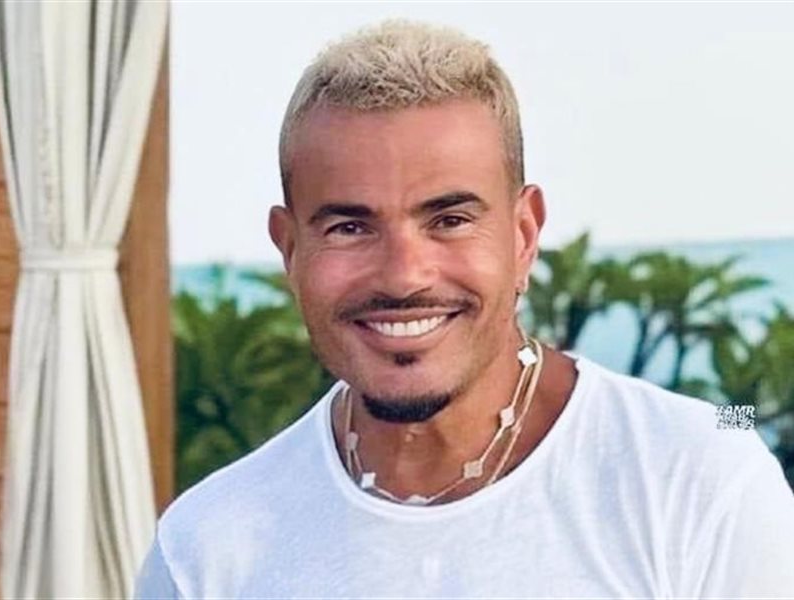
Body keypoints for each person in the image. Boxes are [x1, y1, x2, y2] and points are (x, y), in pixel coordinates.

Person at [135, 20, 794, 598]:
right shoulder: (205, 550)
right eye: (349, 227)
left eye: (449, 219)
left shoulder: (700, 482)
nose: (403, 275)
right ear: (289, 249)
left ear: (523, 235)